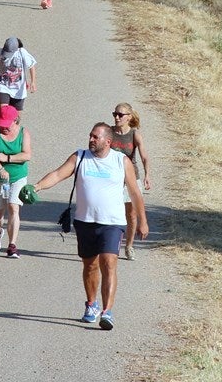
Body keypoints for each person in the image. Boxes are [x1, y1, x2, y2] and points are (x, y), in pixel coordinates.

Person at [19, 123, 148, 331]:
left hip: (112, 222)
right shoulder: (80, 157)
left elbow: (134, 193)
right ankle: (91, 304)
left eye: (96, 137)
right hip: (85, 221)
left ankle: (107, 311)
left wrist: (142, 220)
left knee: (109, 263)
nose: (91, 139)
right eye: (90, 136)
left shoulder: (121, 161)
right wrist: (37, 186)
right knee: (90, 266)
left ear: (108, 141)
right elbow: (58, 174)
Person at [0, 105, 33, 258]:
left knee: (14, 207)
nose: (3, 128)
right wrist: (1, 169)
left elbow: (27, 155)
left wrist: (7, 158)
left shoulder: (23, 132)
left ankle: (12, 245)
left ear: (15, 121)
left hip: (18, 176)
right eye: (1, 124)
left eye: (6, 125)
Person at [109, 103, 152, 259]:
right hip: (112, 179)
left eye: (121, 115)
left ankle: (129, 246)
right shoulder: (108, 132)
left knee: (132, 215)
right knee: (110, 213)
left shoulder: (134, 135)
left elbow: (144, 157)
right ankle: (110, 244)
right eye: (115, 114)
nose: (117, 117)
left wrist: (147, 175)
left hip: (131, 179)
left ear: (129, 117)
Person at [0, 36, 37, 112]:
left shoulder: (22, 52)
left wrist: (33, 81)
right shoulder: (0, 52)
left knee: (16, 118)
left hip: (18, 88)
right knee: (3, 113)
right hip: (3, 85)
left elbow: (31, 65)